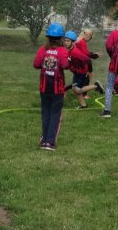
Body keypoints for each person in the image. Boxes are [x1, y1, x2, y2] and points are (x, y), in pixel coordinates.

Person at [33, 22, 70, 151]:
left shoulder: (43, 49)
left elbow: (36, 64)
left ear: (48, 37)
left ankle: (44, 140)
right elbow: (65, 66)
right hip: (57, 88)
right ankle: (49, 142)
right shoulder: (62, 51)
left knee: (46, 113)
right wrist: (68, 59)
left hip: (44, 87)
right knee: (55, 114)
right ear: (60, 38)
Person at [63, 30, 104, 109]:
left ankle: (96, 86)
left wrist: (88, 71)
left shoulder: (75, 52)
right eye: (65, 40)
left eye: (68, 41)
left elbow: (87, 59)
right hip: (77, 72)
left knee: (78, 90)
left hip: (82, 73)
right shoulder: (70, 50)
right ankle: (83, 105)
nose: (65, 42)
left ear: (72, 42)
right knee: (75, 89)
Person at [75, 29, 102, 97]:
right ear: (87, 35)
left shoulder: (78, 40)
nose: (89, 39)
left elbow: (85, 52)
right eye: (90, 37)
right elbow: (86, 54)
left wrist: (93, 54)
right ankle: (87, 93)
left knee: (78, 80)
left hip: (78, 62)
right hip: (82, 63)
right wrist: (95, 55)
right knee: (85, 78)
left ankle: (84, 93)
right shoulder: (82, 41)